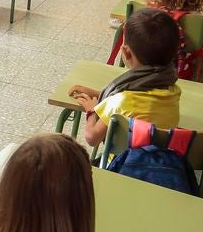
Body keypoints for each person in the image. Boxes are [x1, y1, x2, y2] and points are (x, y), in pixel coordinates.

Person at [70, 8, 182, 147]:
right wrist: (97, 94)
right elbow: (141, 99)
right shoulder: (173, 90)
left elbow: (92, 137)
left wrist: (91, 111)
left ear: (126, 53)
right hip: (158, 161)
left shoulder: (120, 102)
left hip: (120, 166)